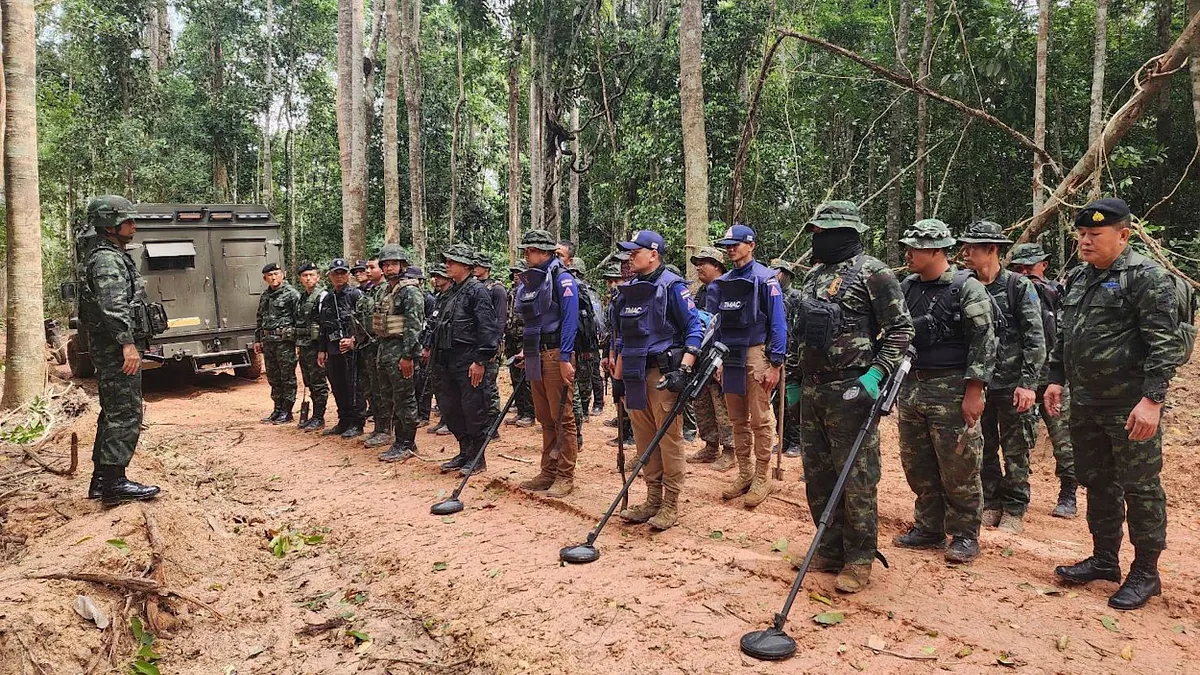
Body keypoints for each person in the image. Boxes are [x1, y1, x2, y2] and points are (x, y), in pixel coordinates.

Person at [1046, 197, 1187, 611]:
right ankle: (1105, 558)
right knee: (1097, 480)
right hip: (1086, 403)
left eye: (1095, 235)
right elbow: (1066, 335)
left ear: (1123, 235)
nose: (1085, 242)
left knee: (1140, 487)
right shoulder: (1078, 277)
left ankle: (1146, 572)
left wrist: (1152, 400)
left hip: (1130, 405)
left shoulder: (1147, 278)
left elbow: (1164, 344)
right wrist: (1055, 379)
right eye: (1081, 235)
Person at [793, 201, 914, 592]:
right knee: (818, 473)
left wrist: (876, 374)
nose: (818, 239)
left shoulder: (873, 272)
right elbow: (804, 333)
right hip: (814, 388)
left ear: (846, 234)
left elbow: (900, 329)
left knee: (857, 477)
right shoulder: (814, 276)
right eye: (816, 232)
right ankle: (828, 549)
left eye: (824, 233)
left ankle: (859, 557)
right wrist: (795, 380)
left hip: (853, 388)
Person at [893, 219, 996, 564]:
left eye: (915, 248)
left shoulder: (966, 288)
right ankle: (929, 526)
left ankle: (966, 533)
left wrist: (974, 391)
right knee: (917, 462)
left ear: (937, 250)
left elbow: (983, 343)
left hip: (952, 389)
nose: (907, 254)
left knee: (959, 465)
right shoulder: (906, 287)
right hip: (912, 388)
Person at [611, 230, 704, 530]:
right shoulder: (629, 290)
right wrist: (617, 376)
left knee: (669, 440)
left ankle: (670, 503)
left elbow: (694, 329)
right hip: (635, 373)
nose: (630, 257)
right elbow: (624, 337)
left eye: (634, 252)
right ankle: (652, 497)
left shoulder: (673, 287)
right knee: (644, 440)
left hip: (662, 374)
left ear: (653, 254)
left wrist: (685, 368)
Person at [957, 221, 1045, 535]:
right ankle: (991, 503)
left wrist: (1028, 383)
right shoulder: (964, 286)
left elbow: (1036, 337)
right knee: (984, 447)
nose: (965, 253)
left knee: (1016, 447)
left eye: (973, 248)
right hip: (979, 384)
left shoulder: (1018, 287)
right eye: (965, 246)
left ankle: (1015, 507)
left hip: (1012, 382)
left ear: (992, 250)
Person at [78, 195, 162, 505]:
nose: (133, 224)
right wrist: (127, 344)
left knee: (114, 411)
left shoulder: (111, 255)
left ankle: (102, 481)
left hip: (112, 346)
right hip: (115, 348)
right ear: (110, 225)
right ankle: (115, 484)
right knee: (125, 412)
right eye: (128, 220)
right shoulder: (106, 260)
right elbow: (113, 307)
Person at [707, 224, 787, 509]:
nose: (731, 249)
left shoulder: (766, 279)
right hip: (730, 355)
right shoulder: (724, 281)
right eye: (727, 245)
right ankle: (744, 472)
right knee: (737, 418)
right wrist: (717, 360)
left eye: (736, 244)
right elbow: (717, 324)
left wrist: (775, 363)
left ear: (751, 245)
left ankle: (763, 475)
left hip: (756, 353)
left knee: (759, 418)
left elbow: (778, 322)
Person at [1010, 242, 1077, 518]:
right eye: (1019, 268)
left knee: (1063, 437)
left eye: (1031, 267)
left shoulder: (1057, 293)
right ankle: (1016, 495)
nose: (1026, 273)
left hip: (1052, 377)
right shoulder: (1010, 293)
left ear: (1044, 265)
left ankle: (1069, 492)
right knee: (1018, 437)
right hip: (1020, 376)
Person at [515, 229, 581, 498]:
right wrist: (524, 350)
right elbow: (532, 321)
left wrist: (565, 357)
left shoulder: (563, 279)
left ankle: (565, 475)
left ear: (543, 252)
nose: (526, 255)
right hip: (535, 352)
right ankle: (548, 471)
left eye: (530, 250)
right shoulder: (530, 281)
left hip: (556, 354)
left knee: (562, 417)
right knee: (544, 417)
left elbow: (569, 320)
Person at [431, 244, 501, 475]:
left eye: (452, 261)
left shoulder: (476, 291)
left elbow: (487, 327)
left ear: (466, 266)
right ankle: (464, 451)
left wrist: (481, 360)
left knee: (473, 409)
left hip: (468, 359)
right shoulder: (450, 291)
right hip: (448, 359)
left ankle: (477, 457)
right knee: (451, 408)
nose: (447, 265)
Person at [373, 244, 426, 461]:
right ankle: (398, 440)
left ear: (403, 265)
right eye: (385, 264)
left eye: (393, 264)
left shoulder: (410, 291)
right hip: (385, 348)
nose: (389, 268)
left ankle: (407, 443)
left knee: (405, 398)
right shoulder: (385, 290)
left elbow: (414, 327)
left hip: (400, 351)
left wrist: (407, 357)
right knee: (389, 397)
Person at [685, 247, 735, 471]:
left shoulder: (726, 286)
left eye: (703, 263)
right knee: (702, 401)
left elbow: (727, 323)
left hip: (719, 354)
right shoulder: (702, 291)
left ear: (716, 265)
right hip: (702, 354)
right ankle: (710, 444)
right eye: (696, 263)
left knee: (721, 403)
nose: (698, 267)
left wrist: (722, 358)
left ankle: (730, 450)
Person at [318, 258, 366, 438]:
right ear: (329, 276)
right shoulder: (328, 298)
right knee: (337, 386)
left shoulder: (356, 295)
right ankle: (344, 420)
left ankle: (357, 422)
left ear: (348, 275)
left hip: (351, 350)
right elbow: (323, 325)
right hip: (333, 348)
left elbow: (365, 322)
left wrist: (353, 339)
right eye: (335, 274)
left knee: (353, 386)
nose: (339, 277)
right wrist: (322, 349)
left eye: (342, 273)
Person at [255, 262, 301, 424]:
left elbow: (299, 320)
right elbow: (260, 318)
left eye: (276, 273)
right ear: (265, 278)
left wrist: (298, 342)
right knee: (274, 377)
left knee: (287, 376)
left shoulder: (292, 294)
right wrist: (258, 340)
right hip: (268, 342)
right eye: (270, 275)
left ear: (283, 274)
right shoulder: (265, 296)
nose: (273, 277)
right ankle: (277, 408)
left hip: (285, 343)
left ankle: (287, 411)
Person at [772, 258, 805, 458]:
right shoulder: (771, 297)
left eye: (779, 273)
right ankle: (782, 438)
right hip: (776, 354)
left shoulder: (798, 297)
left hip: (793, 356)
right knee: (777, 402)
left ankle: (796, 440)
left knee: (792, 401)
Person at [474, 252, 508, 435]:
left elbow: (501, 319)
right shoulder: (472, 287)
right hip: (475, 344)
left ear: (486, 268)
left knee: (488, 386)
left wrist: (494, 345)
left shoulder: (497, 289)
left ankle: (493, 425)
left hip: (491, 344)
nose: (474, 268)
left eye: (478, 265)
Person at [295, 263, 330, 431]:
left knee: (319, 382)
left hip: (317, 346)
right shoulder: (302, 297)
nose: (308, 278)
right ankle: (314, 416)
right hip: (304, 346)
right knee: (309, 381)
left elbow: (325, 323)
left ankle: (319, 417)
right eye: (304, 276)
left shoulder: (322, 296)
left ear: (318, 277)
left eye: (311, 275)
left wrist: (323, 348)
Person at [504, 260, 536, 427]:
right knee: (515, 377)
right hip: (511, 339)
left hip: (524, 340)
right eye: (514, 272)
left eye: (519, 272)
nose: (516, 275)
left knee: (527, 378)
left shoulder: (530, 292)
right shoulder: (511, 292)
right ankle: (521, 410)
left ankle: (530, 413)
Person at [422, 265, 452, 436]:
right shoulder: (438, 298)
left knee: (448, 388)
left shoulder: (451, 298)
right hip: (435, 348)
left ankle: (449, 421)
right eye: (434, 276)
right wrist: (427, 346)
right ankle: (443, 418)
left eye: (439, 276)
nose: (435, 279)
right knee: (438, 385)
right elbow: (431, 325)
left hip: (446, 349)